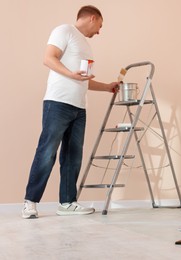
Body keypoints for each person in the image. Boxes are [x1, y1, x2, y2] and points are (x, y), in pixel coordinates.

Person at [22, 5, 119, 219]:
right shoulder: (64, 30)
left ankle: (67, 203)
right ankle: (30, 203)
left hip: (79, 107)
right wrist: (71, 75)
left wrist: (107, 87)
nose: (99, 31)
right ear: (92, 18)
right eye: (99, 26)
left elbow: (84, 80)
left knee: (73, 157)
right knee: (47, 152)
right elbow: (48, 58)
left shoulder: (85, 46)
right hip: (57, 103)